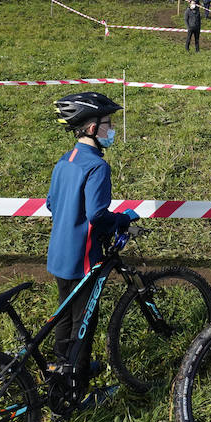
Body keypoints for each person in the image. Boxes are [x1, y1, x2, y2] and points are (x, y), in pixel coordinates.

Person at [47, 92, 137, 381]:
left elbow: (51, 203)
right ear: (91, 128)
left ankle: (61, 367)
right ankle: (78, 380)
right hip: (83, 256)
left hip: (59, 251)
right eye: (107, 124)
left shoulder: (65, 160)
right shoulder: (98, 167)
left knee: (64, 312)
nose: (111, 130)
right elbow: (97, 215)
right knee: (84, 320)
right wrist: (124, 219)